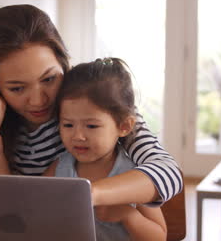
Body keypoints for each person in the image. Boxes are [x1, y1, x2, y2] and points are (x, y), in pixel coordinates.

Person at [0, 4, 182, 206]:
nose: (38, 100)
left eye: (49, 79)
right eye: (17, 88)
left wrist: (86, 194)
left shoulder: (96, 106)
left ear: (63, 63)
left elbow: (169, 173)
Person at [43, 57, 167, 241]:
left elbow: (159, 236)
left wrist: (128, 215)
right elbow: (31, 209)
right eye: (68, 125)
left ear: (124, 126)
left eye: (91, 126)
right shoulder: (60, 168)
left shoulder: (134, 176)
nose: (78, 136)